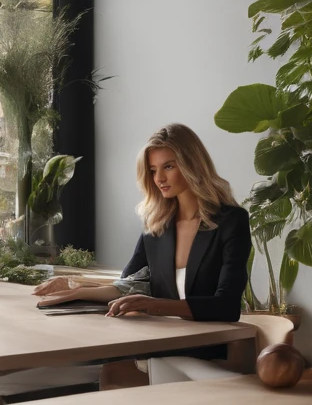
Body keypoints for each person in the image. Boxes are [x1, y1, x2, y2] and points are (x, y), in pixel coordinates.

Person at [33, 124, 251, 381]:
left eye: (168, 166)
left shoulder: (230, 221)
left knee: (117, 373)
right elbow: (127, 285)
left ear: (192, 165)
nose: (159, 179)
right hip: (161, 343)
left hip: (210, 350)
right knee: (112, 373)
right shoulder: (156, 227)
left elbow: (226, 306)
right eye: (153, 170)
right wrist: (75, 288)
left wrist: (154, 306)